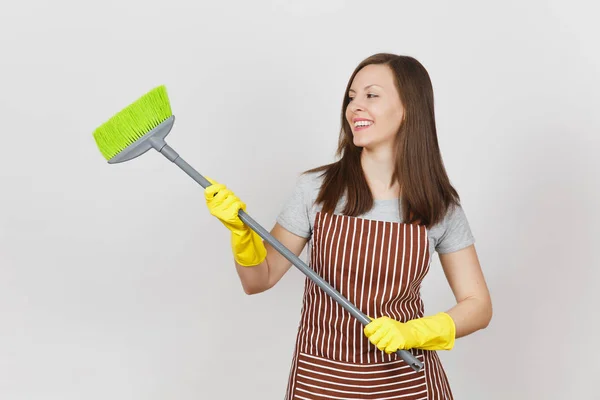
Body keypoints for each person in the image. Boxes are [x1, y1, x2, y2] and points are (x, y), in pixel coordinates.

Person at [204, 53, 493, 399]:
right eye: (351, 97)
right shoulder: (316, 190)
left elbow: (478, 305)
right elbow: (258, 279)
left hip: (405, 381)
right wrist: (240, 234)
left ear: (408, 108)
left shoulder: (438, 205)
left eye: (371, 95)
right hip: (322, 377)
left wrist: (415, 333)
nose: (355, 106)